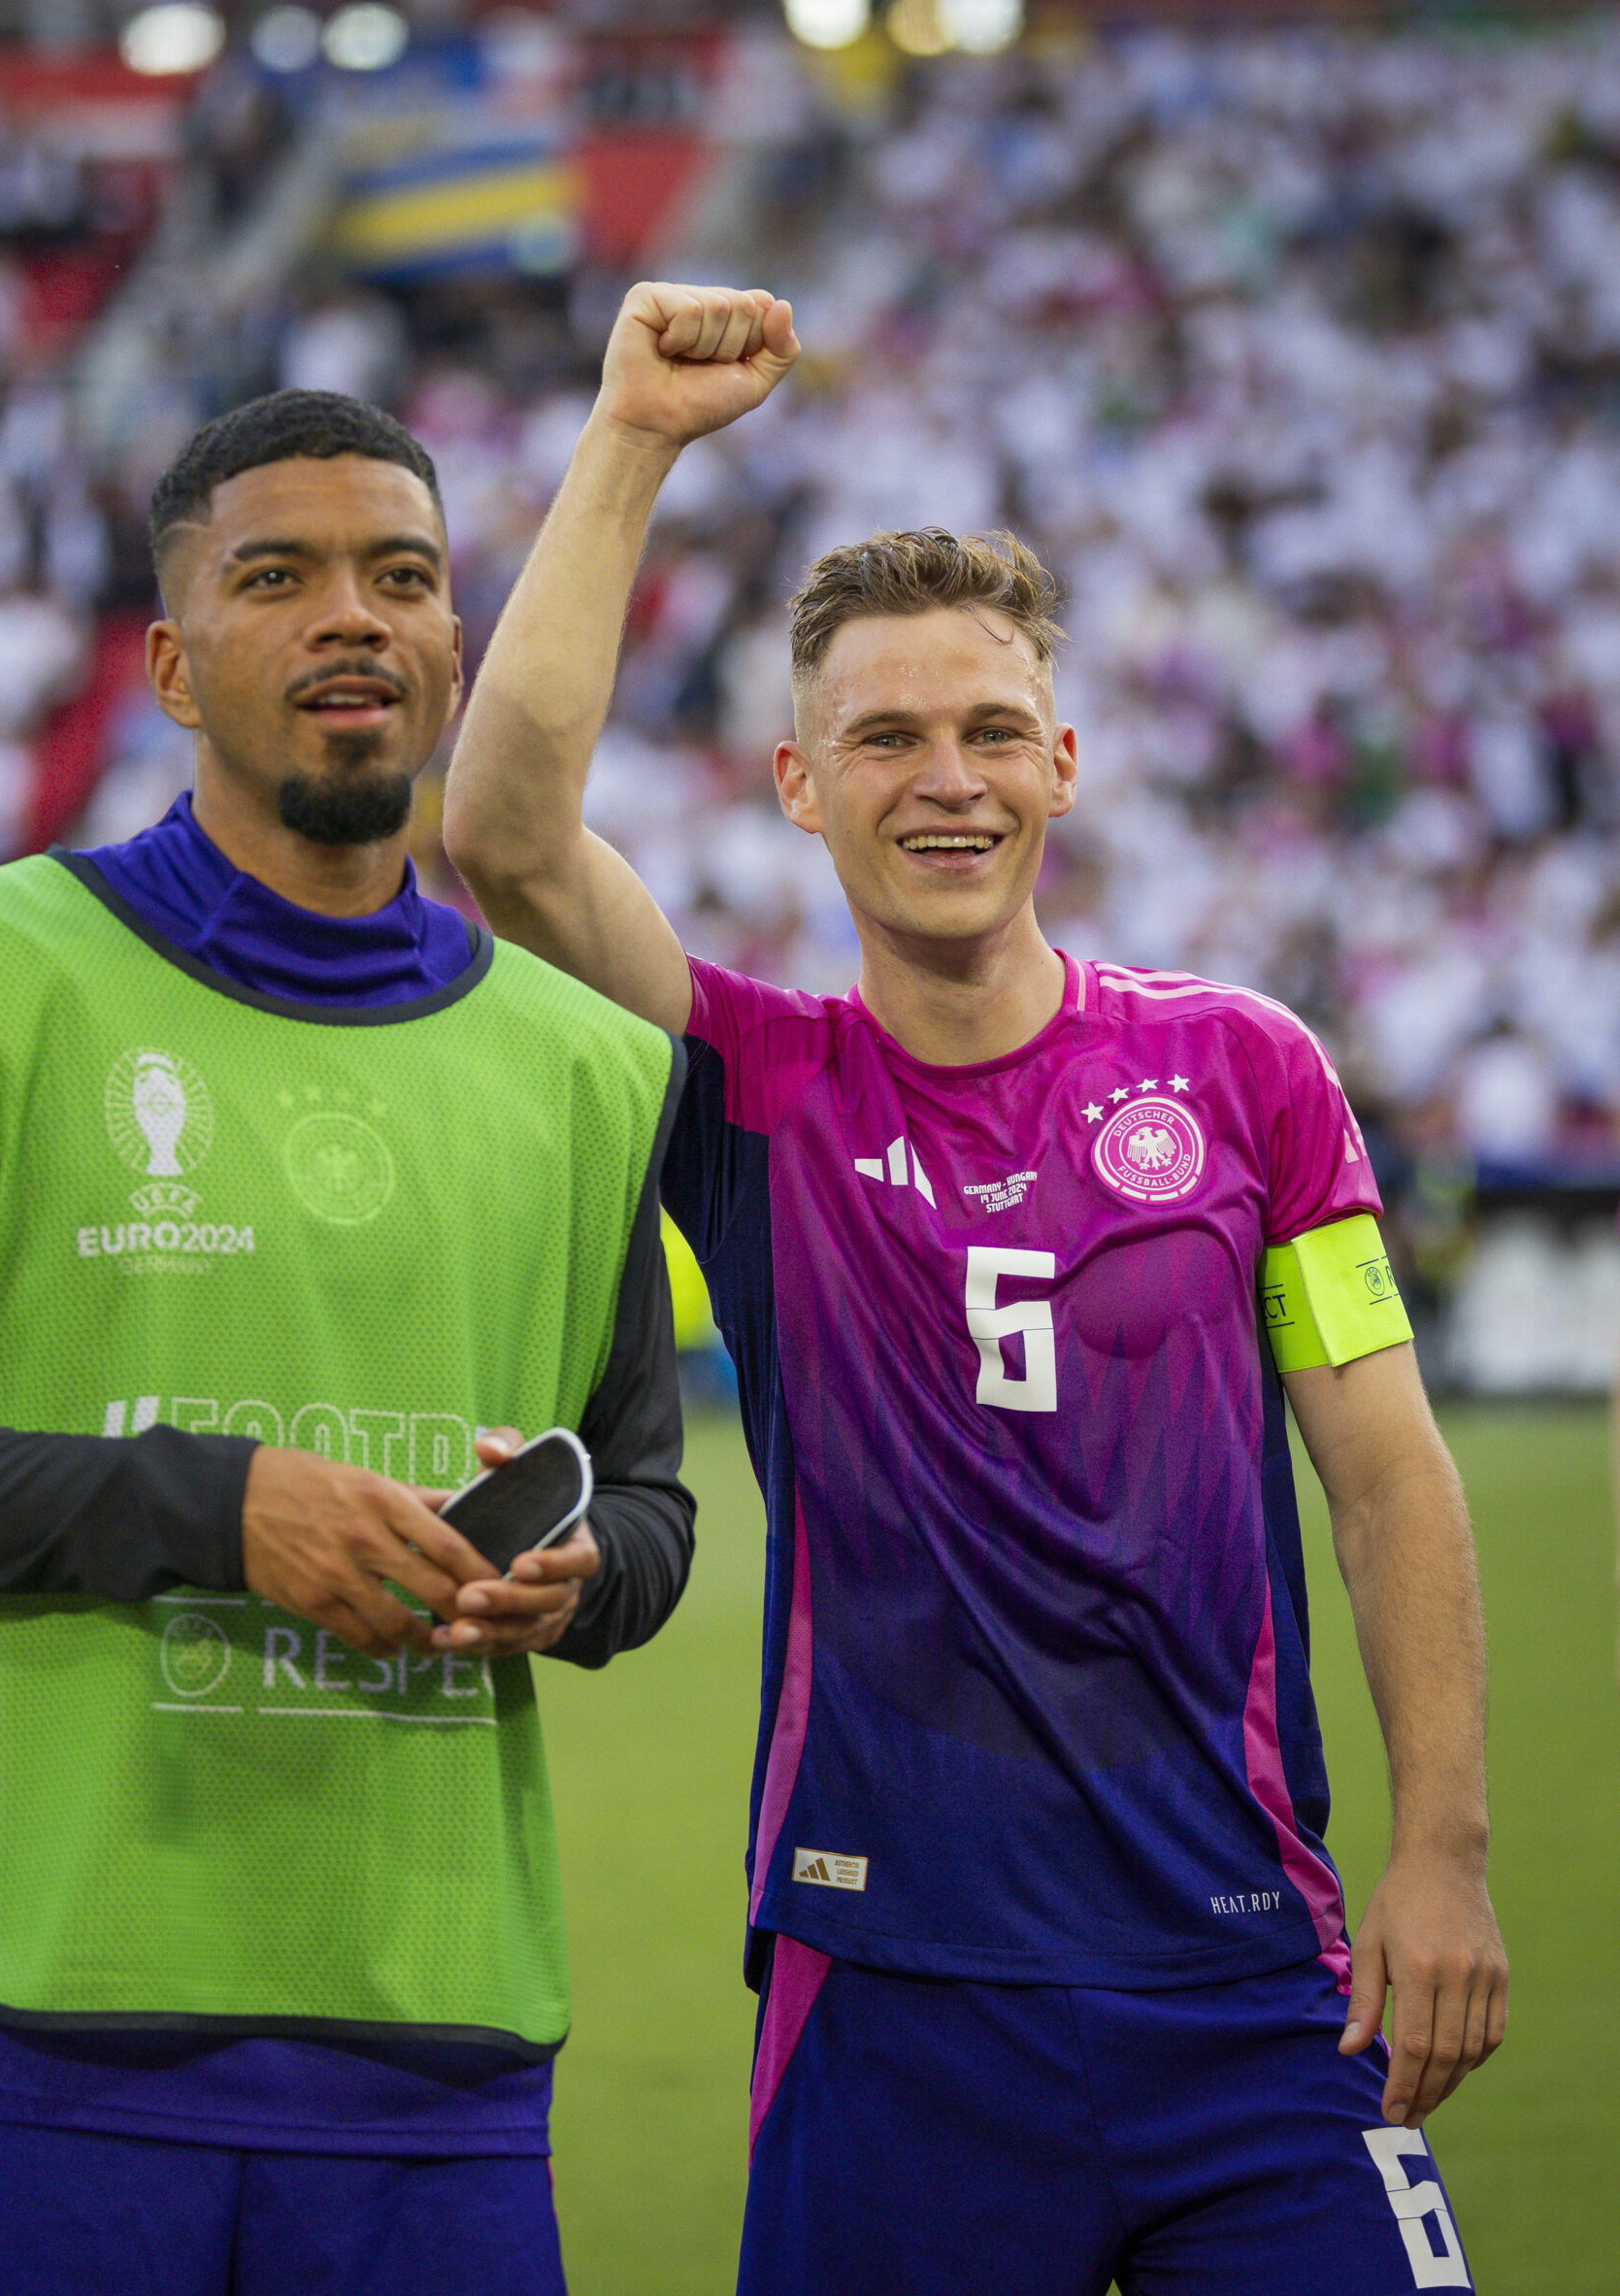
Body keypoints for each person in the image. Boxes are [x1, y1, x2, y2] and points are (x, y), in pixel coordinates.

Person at [441, 283, 1507, 2293]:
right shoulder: (749, 1088)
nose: (947, 778)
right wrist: (629, 441)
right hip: (891, 1990)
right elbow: (497, 836)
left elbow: (1381, 1473)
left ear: (1065, 761)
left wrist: (1438, 1848)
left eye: (989, 729)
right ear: (794, 781)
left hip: (1251, 1980)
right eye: (886, 737)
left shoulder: (1245, 1072)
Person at [0, 388, 695, 2296]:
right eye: (280, 577)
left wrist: (574, 1575)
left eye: (400, 578)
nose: (352, 617)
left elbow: (647, 1503)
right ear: (171, 661)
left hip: (440, 2035)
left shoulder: (594, 1063)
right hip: (32, 2019)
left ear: (446, 639)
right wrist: (215, 1506)